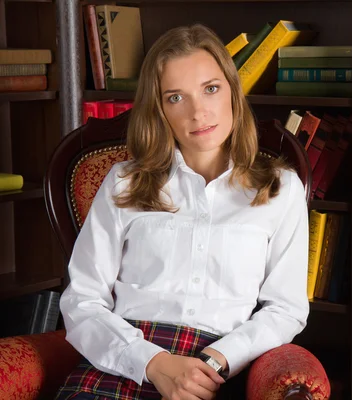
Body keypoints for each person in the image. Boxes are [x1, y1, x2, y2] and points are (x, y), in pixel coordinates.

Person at [54, 23, 309, 400]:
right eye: (176, 97)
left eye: (210, 89)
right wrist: (153, 363)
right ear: (159, 109)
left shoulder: (280, 189)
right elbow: (82, 301)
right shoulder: (124, 182)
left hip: (216, 370)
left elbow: (285, 310)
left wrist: (216, 361)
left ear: (232, 92)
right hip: (126, 359)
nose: (198, 112)